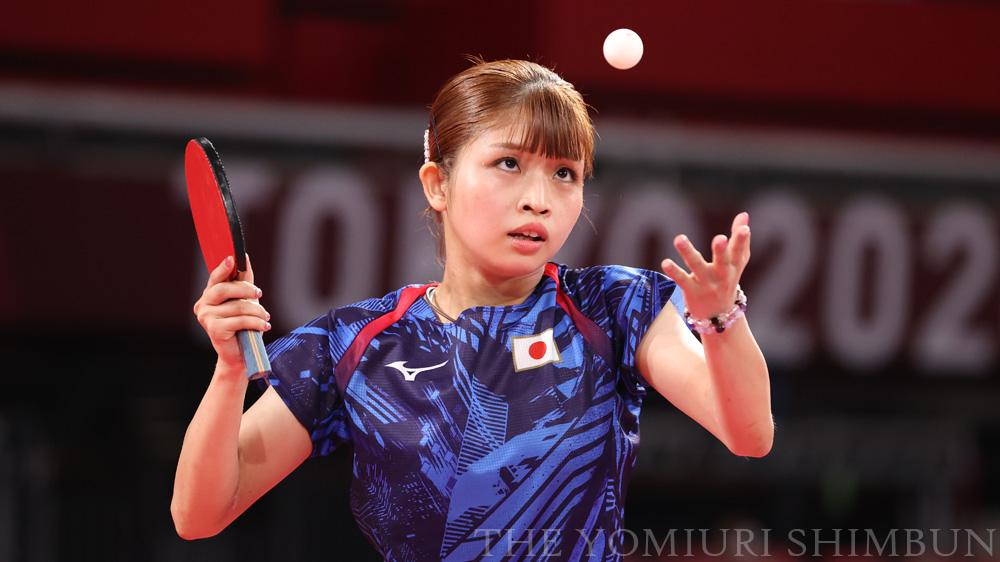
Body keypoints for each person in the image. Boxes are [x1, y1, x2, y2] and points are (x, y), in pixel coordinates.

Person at [171, 58, 772, 561]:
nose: (539, 199)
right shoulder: (356, 343)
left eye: (565, 173)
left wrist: (722, 321)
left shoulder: (612, 308)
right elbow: (199, 515)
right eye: (509, 163)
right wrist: (229, 372)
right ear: (438, 183)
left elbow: (749, 434)